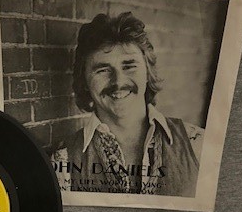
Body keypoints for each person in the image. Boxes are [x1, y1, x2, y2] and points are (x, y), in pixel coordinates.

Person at [53, 12, 203, 196]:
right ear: (84, 81)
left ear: (147, 72)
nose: (118, 82)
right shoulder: (63, 162)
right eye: (103, 70)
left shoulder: (198, 144)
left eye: (129, 66)